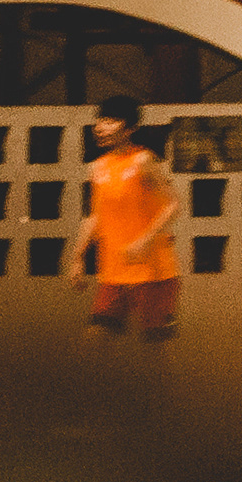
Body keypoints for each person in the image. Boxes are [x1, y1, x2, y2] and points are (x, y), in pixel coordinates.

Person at [77, 97, 179, 349]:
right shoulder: (98, 167)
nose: (100, 126)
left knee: (157, 347)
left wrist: (144, 240)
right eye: (100, 120)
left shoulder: (143, 160)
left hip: (153, 272)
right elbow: (95, 216)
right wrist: (77, 256)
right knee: (93, 341)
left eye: (110, 120)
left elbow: (173, 203)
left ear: (130, 128)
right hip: (113, 271)